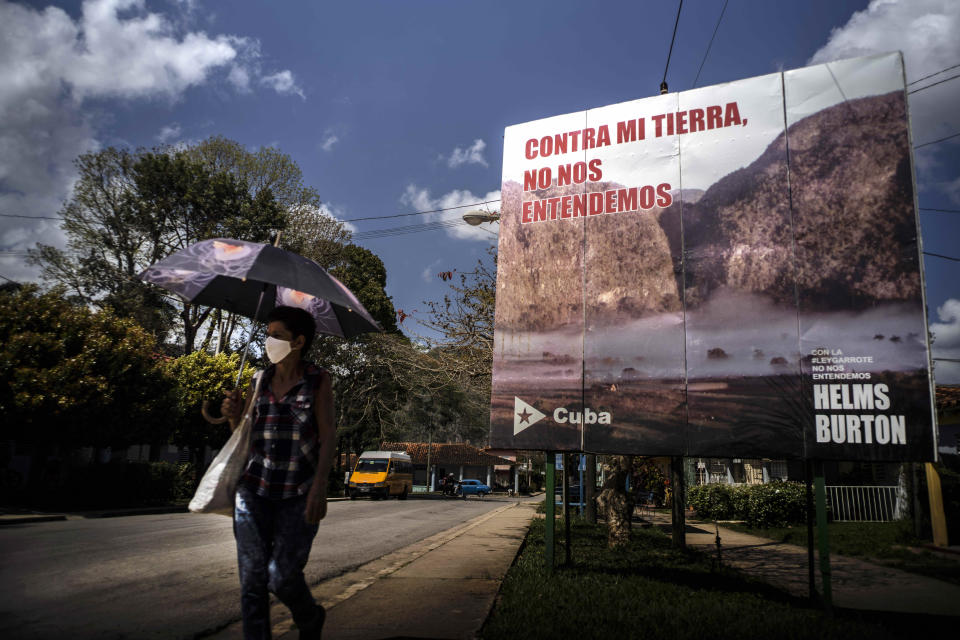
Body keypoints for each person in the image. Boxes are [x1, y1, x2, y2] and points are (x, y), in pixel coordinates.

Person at [222, 306, 335, 640]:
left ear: (298, 341)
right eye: (268, 333)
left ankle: (310, 617)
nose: (269, 341)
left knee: (282, 577)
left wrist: (319, 487)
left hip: (297, 494)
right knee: (252, 582)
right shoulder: (259, 379)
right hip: (253, 490)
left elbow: (328, 435)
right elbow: (242, 435)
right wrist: (233, 414)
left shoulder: (317, 380)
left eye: (277, 335)